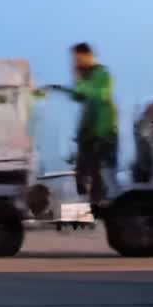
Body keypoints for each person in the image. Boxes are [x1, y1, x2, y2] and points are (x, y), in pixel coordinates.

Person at [42, 42, 118, 203]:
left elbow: (98, 93)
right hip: (88, 132)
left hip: (103, 130)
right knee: (82, 171)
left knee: (98, 172)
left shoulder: (101, 73)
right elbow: (78, 97)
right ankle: (88, 204)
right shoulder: (85, 75)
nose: (75, 62)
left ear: (88, 56)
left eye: (77, 58)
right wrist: (58, 88)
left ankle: (99, 205)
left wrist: (79, 81)